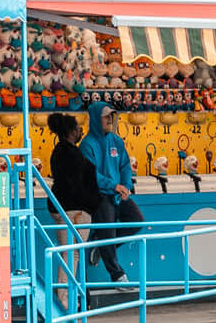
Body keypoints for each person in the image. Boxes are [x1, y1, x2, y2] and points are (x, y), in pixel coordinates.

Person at [81, 101, 143, 282]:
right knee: (107, 230)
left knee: (136, 221)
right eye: (106, 116)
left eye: (111, 116)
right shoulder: (87, 145)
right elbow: (90, 175)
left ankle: (100, 246)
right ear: (95, 119)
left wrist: (126, 186)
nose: (110, 119)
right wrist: (113, 185)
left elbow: (124, 165)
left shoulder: (116, 140)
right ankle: (117, 275)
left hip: (117, 193)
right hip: (99, 195)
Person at [46, 114, 99, 220]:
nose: (81, 131)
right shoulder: (72, 154)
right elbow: (75, 182)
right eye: (79, 128)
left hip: (61, 204)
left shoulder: (60, 150)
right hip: (73, 208)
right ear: (72, 132)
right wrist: (91, 202)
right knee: (76, 237)